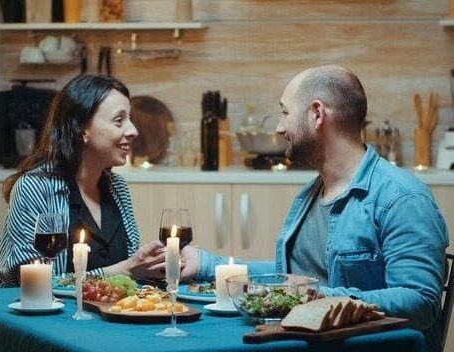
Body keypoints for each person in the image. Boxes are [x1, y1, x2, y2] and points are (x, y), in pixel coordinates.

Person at [180, 65, 448, 351]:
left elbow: (421, 302)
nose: (279, 128)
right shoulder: (312, 193)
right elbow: (290, 277)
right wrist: (209, 265)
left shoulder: (402, 197)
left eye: (285, 113)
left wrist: (317, 296)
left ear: (317, 114)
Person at [0, 74, 165, 288]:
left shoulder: (117, 187)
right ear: (81, 128)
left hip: (109, 317)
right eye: (119, 120)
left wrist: (152, 264)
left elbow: (129, 275)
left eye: (130, 120)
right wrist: (125, 270)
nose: (133, 131)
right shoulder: (35, 187)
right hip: (46, 319)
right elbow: (35, 284)